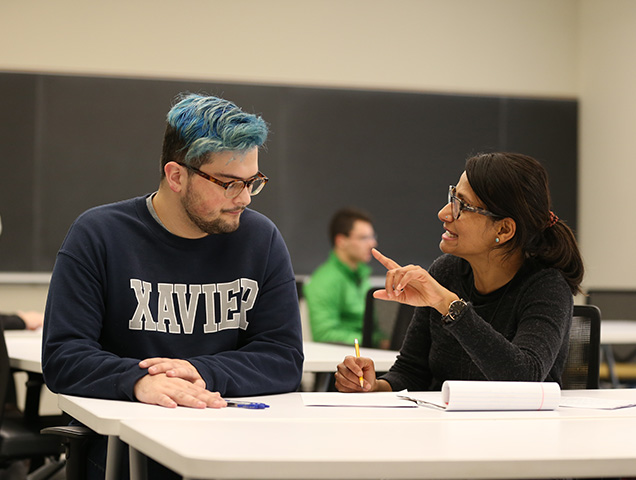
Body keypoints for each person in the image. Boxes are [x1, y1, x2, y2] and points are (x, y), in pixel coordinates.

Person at [42, 93, 303, 479]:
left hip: (232, 437)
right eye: (229, 184)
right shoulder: (99, 235)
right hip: (129, 443)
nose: (244, 198)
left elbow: (282, 357)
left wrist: (198, 372)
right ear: (177, 176)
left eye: (253, 182)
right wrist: (137, 380)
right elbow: (64, 355)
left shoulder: (260, 239)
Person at [335, 152, 584, 393]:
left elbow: (524, 379)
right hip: (443, 428)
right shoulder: (447, 272)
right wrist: (372, 385)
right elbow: (411, 372)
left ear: (505, 229)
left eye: (461, 206)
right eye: (452, 196)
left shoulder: (547, 286)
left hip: (517, 431)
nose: (444, 213)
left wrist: (449, 305)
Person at [303, 207, 381, 345]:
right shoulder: (324, 281)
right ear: (341, 241)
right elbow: (324, 334)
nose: (373, 244)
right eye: (364, 238)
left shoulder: (361, 276)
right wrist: (376, 342)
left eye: (372, 237)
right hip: (347, 359)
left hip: (368, 353)